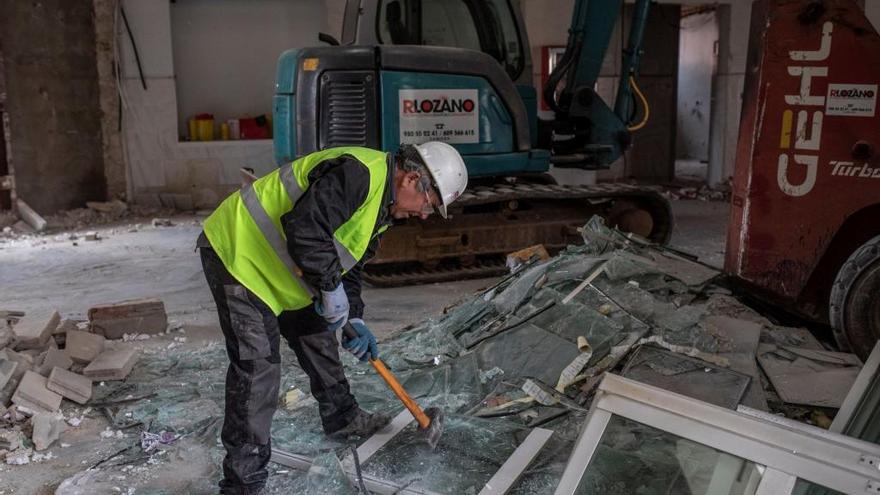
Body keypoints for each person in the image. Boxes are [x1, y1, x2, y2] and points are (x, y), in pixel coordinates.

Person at [197, 142, 468, 494]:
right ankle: (242, 483)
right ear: (413, 179)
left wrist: (354, 317)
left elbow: (348, 266)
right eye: (430, 204)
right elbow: (305, 228)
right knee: (258, 369)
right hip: (238, 255)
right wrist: (328, 286)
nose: (425, 215)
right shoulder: (359, 174)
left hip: (281, 271)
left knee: (317, 333)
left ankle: (342, 418)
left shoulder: (382, 210)